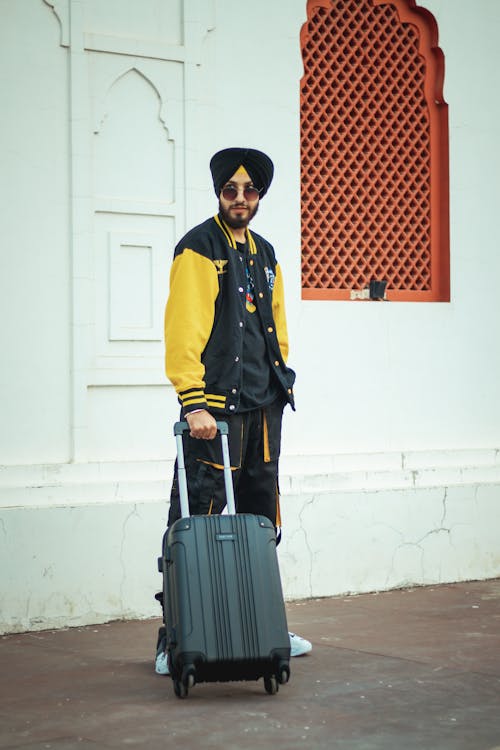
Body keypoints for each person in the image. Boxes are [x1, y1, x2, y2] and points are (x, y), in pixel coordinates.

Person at [155, 147, 312, 674]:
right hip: (214, 413)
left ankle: (264, 623)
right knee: (196, 516)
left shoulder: (266, 253)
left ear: (261, 195)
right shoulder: (199, 248)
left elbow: (277, 327)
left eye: (249, 190)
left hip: (264, 407)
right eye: (230, 190)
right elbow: (184, 331)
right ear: (219, 192)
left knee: (261, 516)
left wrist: (278, 380)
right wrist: (192, 401)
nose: (240, 199)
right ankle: (174, 634)